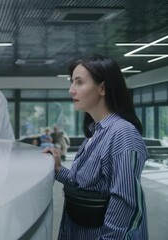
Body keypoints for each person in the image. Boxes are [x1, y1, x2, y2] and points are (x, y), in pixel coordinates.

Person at [44, 55, 148, 239]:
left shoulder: (122, 134)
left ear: (102, 88)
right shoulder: (96, 132)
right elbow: (86, 187)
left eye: (79, 82)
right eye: (72, 82)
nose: (71, 90)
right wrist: (58, 168)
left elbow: (124, 206)